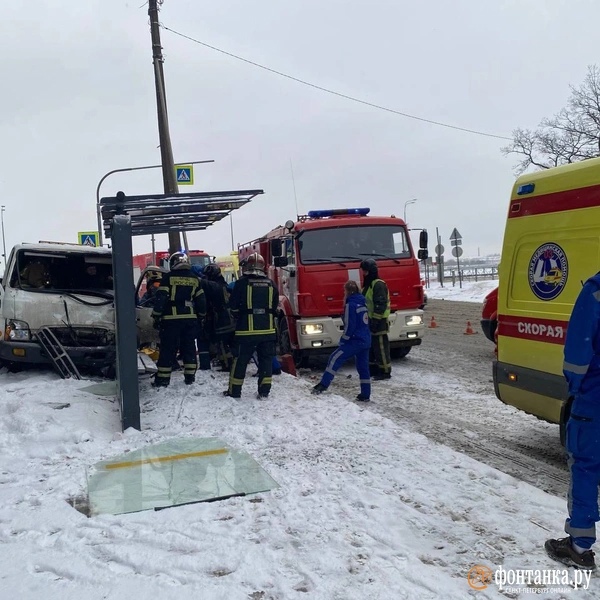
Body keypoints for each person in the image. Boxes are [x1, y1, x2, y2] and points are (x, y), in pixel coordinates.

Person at [545, 273, 600, 570]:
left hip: (595, 399)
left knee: (586, 467)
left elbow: (577, 356)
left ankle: (579, 547)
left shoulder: (594, 291)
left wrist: (576, 390)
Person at [225, 252, 279, 399]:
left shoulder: (241, 283)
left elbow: (233, 307)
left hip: (245, 331)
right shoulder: (271, 284)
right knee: (266, 361)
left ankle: (234, 391)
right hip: (267, 331)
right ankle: (264, 391)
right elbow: (274, 308)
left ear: (247, 266)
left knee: (240, 361)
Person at [151, 252, 206, 387]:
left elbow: (161, 298)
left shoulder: (168, 278)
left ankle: (163, 379)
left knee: (168, 349)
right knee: (189, 347)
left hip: (171, 319)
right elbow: (201, 300)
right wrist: (201, 315)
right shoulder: (195, 279)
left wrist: (156, 315)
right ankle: (190, 376)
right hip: (190, 319)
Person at [312, 280, 371, 401]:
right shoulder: (362, 302)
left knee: (335, 357)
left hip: (355, 340)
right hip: (365, 339)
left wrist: (344, 340)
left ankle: (323, 384)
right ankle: (365, 393)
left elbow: (350, 325)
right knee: (363, 366)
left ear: (347, 292)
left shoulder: (351, 305)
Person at [360, 258, 392, 380]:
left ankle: (385, 371)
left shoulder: (377, 284)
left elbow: (380, 304)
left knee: (381, 348)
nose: (364, 274)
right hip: (371, 321)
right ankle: (374, 369)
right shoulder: (369, 285)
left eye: (365, 271)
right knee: (373, 347)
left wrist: (376, 321)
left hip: (379, 321)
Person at [203, 263, 235, 371]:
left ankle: (226, 365)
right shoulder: (224, 284)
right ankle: (232, 362)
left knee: (221, 342)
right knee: (229, 342)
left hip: (221, 318)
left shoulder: (214, 286)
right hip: (230, 317)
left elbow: (203, 284)